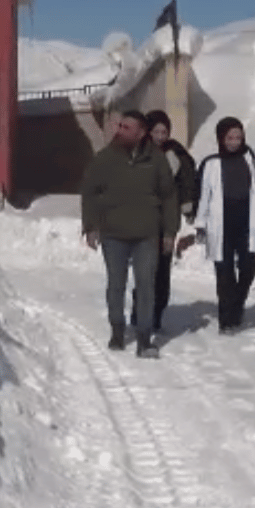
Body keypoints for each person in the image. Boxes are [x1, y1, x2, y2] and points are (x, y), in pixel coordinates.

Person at [80, 109, 180, 358]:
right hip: (113, 234)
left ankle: (144, 339)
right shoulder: (105, 158)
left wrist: (169, 231)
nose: (120, 130)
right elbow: (90, 192)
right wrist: (90, 226)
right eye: (120, 126)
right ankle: (117, 330)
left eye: (127, 127)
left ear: (141, 132)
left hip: (147, 235)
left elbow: (169, 196)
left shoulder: (156, 160)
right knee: (116, 284)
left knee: (146, 285)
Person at [192, 116, 255, 334]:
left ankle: (237, 302)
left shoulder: (249, 158)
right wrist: (200, 223)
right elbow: (203, 196)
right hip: (221, 224)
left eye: (238, 137)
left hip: (245, 222)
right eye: (230, 138)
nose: (235, 142)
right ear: (221, 138)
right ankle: (227, 320)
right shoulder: (211, 163)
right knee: (224, 273)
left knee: (248, 267)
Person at [130, 110, 197, 333]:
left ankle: (156, 314)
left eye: (164, 132)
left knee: (162, 273)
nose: (160, 136)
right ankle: (140, 314)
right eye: (156, 131)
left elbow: (187, 181)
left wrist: (187, 206)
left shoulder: (175, 154)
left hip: (167, 223)